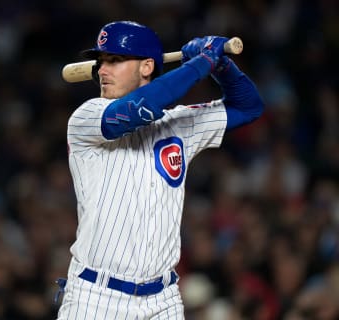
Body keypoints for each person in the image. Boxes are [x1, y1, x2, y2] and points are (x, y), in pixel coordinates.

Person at [56, 20, 264, 319]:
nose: (101, 70)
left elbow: (249, 107)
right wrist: (201, 63)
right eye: (101, 61)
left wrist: (222, 67)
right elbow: (136, 110)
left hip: (162, 300)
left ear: (146, 67)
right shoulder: (86, 117)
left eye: (114, 60)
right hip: (96, 297)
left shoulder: (179, 123)